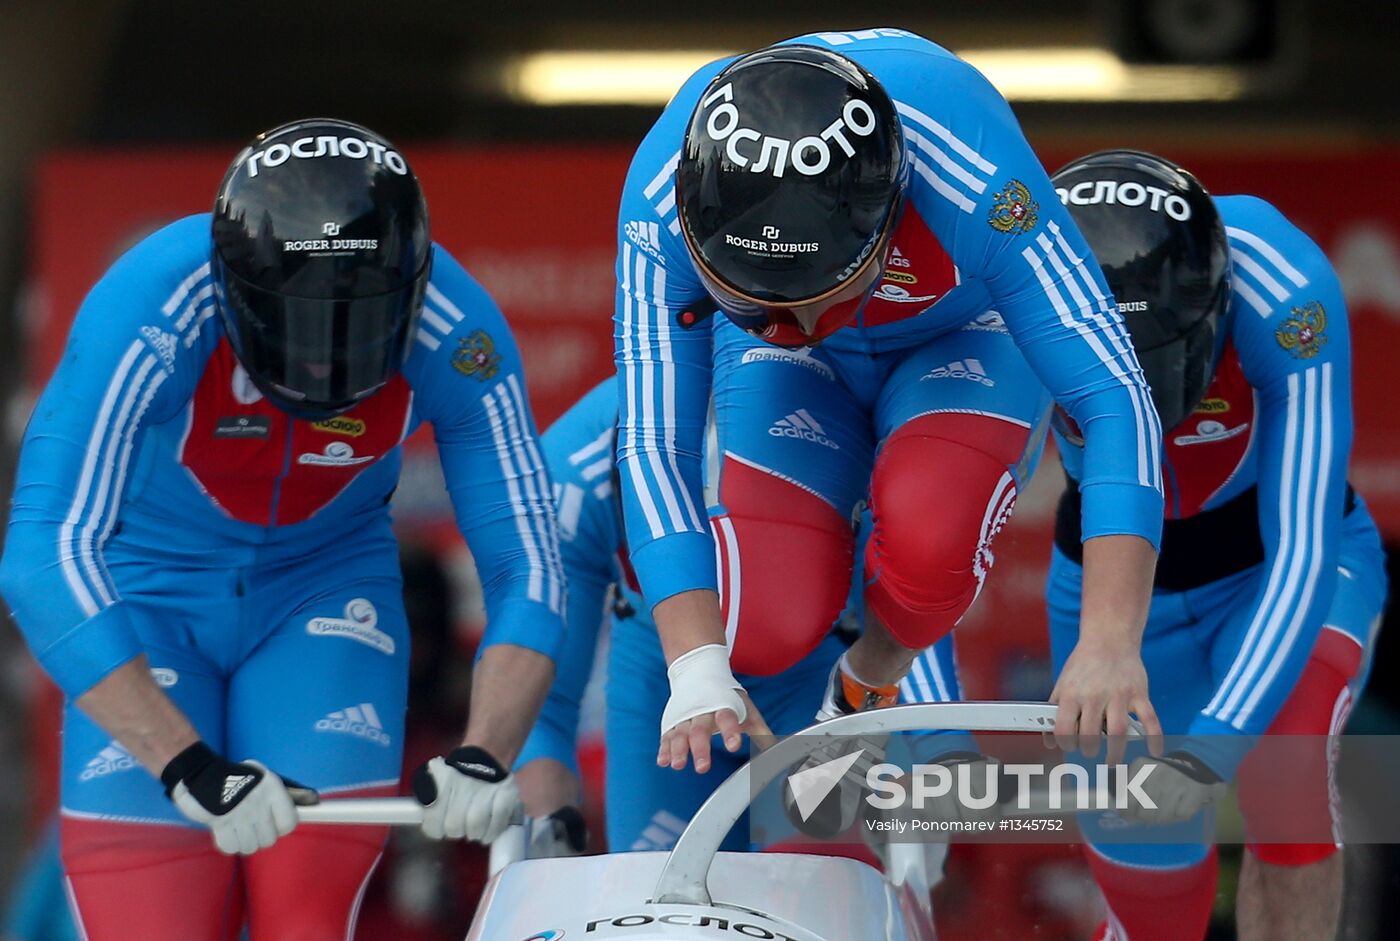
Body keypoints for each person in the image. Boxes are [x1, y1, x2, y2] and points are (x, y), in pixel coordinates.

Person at [0, 118, 566, 940]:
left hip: (323, 595)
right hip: (152, 594)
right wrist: (185, 763)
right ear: (233, 291)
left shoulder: (459, 326)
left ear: (411, 289)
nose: (323, 364)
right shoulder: (150, 301)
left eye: (357, 324)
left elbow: (529, 564)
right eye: (297, 328)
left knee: (305, 916)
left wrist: (485, 748)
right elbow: (43, 552)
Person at [613, 27, 1167, 778]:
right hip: (798, 371)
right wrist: (696, 665)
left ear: (886, 225)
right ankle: (810, 616)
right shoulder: (657, 198)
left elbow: (1114, 396)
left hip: (963, 330)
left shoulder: (976, 175)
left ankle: (868, 677)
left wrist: (1108, 638)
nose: (801, 328)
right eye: (758, 302)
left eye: (821, 297)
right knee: (755, 624)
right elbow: (654, 441)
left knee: (932, 535)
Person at [1043, 149, 1386, 941]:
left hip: (1279, 570)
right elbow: (957, 503)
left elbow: (1301, 547)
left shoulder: (1283, 285)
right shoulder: (1013, 288)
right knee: (1143, 856)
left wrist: (1214, 750)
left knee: (1285, 773)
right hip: (1116, 591)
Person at [514, 377, 879, 851]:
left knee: (814, 885)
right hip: (659, 682)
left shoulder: (843, 428)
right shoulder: (577, 465)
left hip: (816, 678)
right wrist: (547, 827)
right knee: (660, 910)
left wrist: (935, 749)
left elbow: (908, 620)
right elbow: (545, 694)